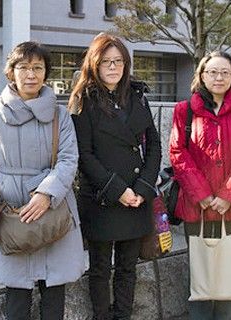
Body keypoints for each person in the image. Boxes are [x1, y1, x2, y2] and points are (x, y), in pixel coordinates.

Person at [0, 41, 85, 320]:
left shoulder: (60, 114)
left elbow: (69, 159)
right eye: (23, 67)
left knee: (54, 290)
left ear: (46, 73)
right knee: (17, 294)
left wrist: (46, 194)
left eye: (38, 68)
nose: (31, 74)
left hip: (54, 208)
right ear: (11, 72)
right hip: (12, 210)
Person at [69, 33, 161, 320]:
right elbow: (84, 155)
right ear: (94, 64)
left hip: (136, 196)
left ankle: (123, 316)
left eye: (118, 61)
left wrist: (143, 188)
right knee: (99, 269)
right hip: (102, 198)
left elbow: (154, 145)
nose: (113, 67)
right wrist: (118, 190)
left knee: (127, 268)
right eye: (106, 61)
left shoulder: (137, 96)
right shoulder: (83, 100)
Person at [169, 51, 231, 320]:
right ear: (201, 75)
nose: (219, 77)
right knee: (201, 270)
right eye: (212, 72)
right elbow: (177, 152)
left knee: (226, 270)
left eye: (225, 72)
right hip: (197, 206)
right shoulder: (184, 111)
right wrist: (203, 195)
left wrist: (229, 195)